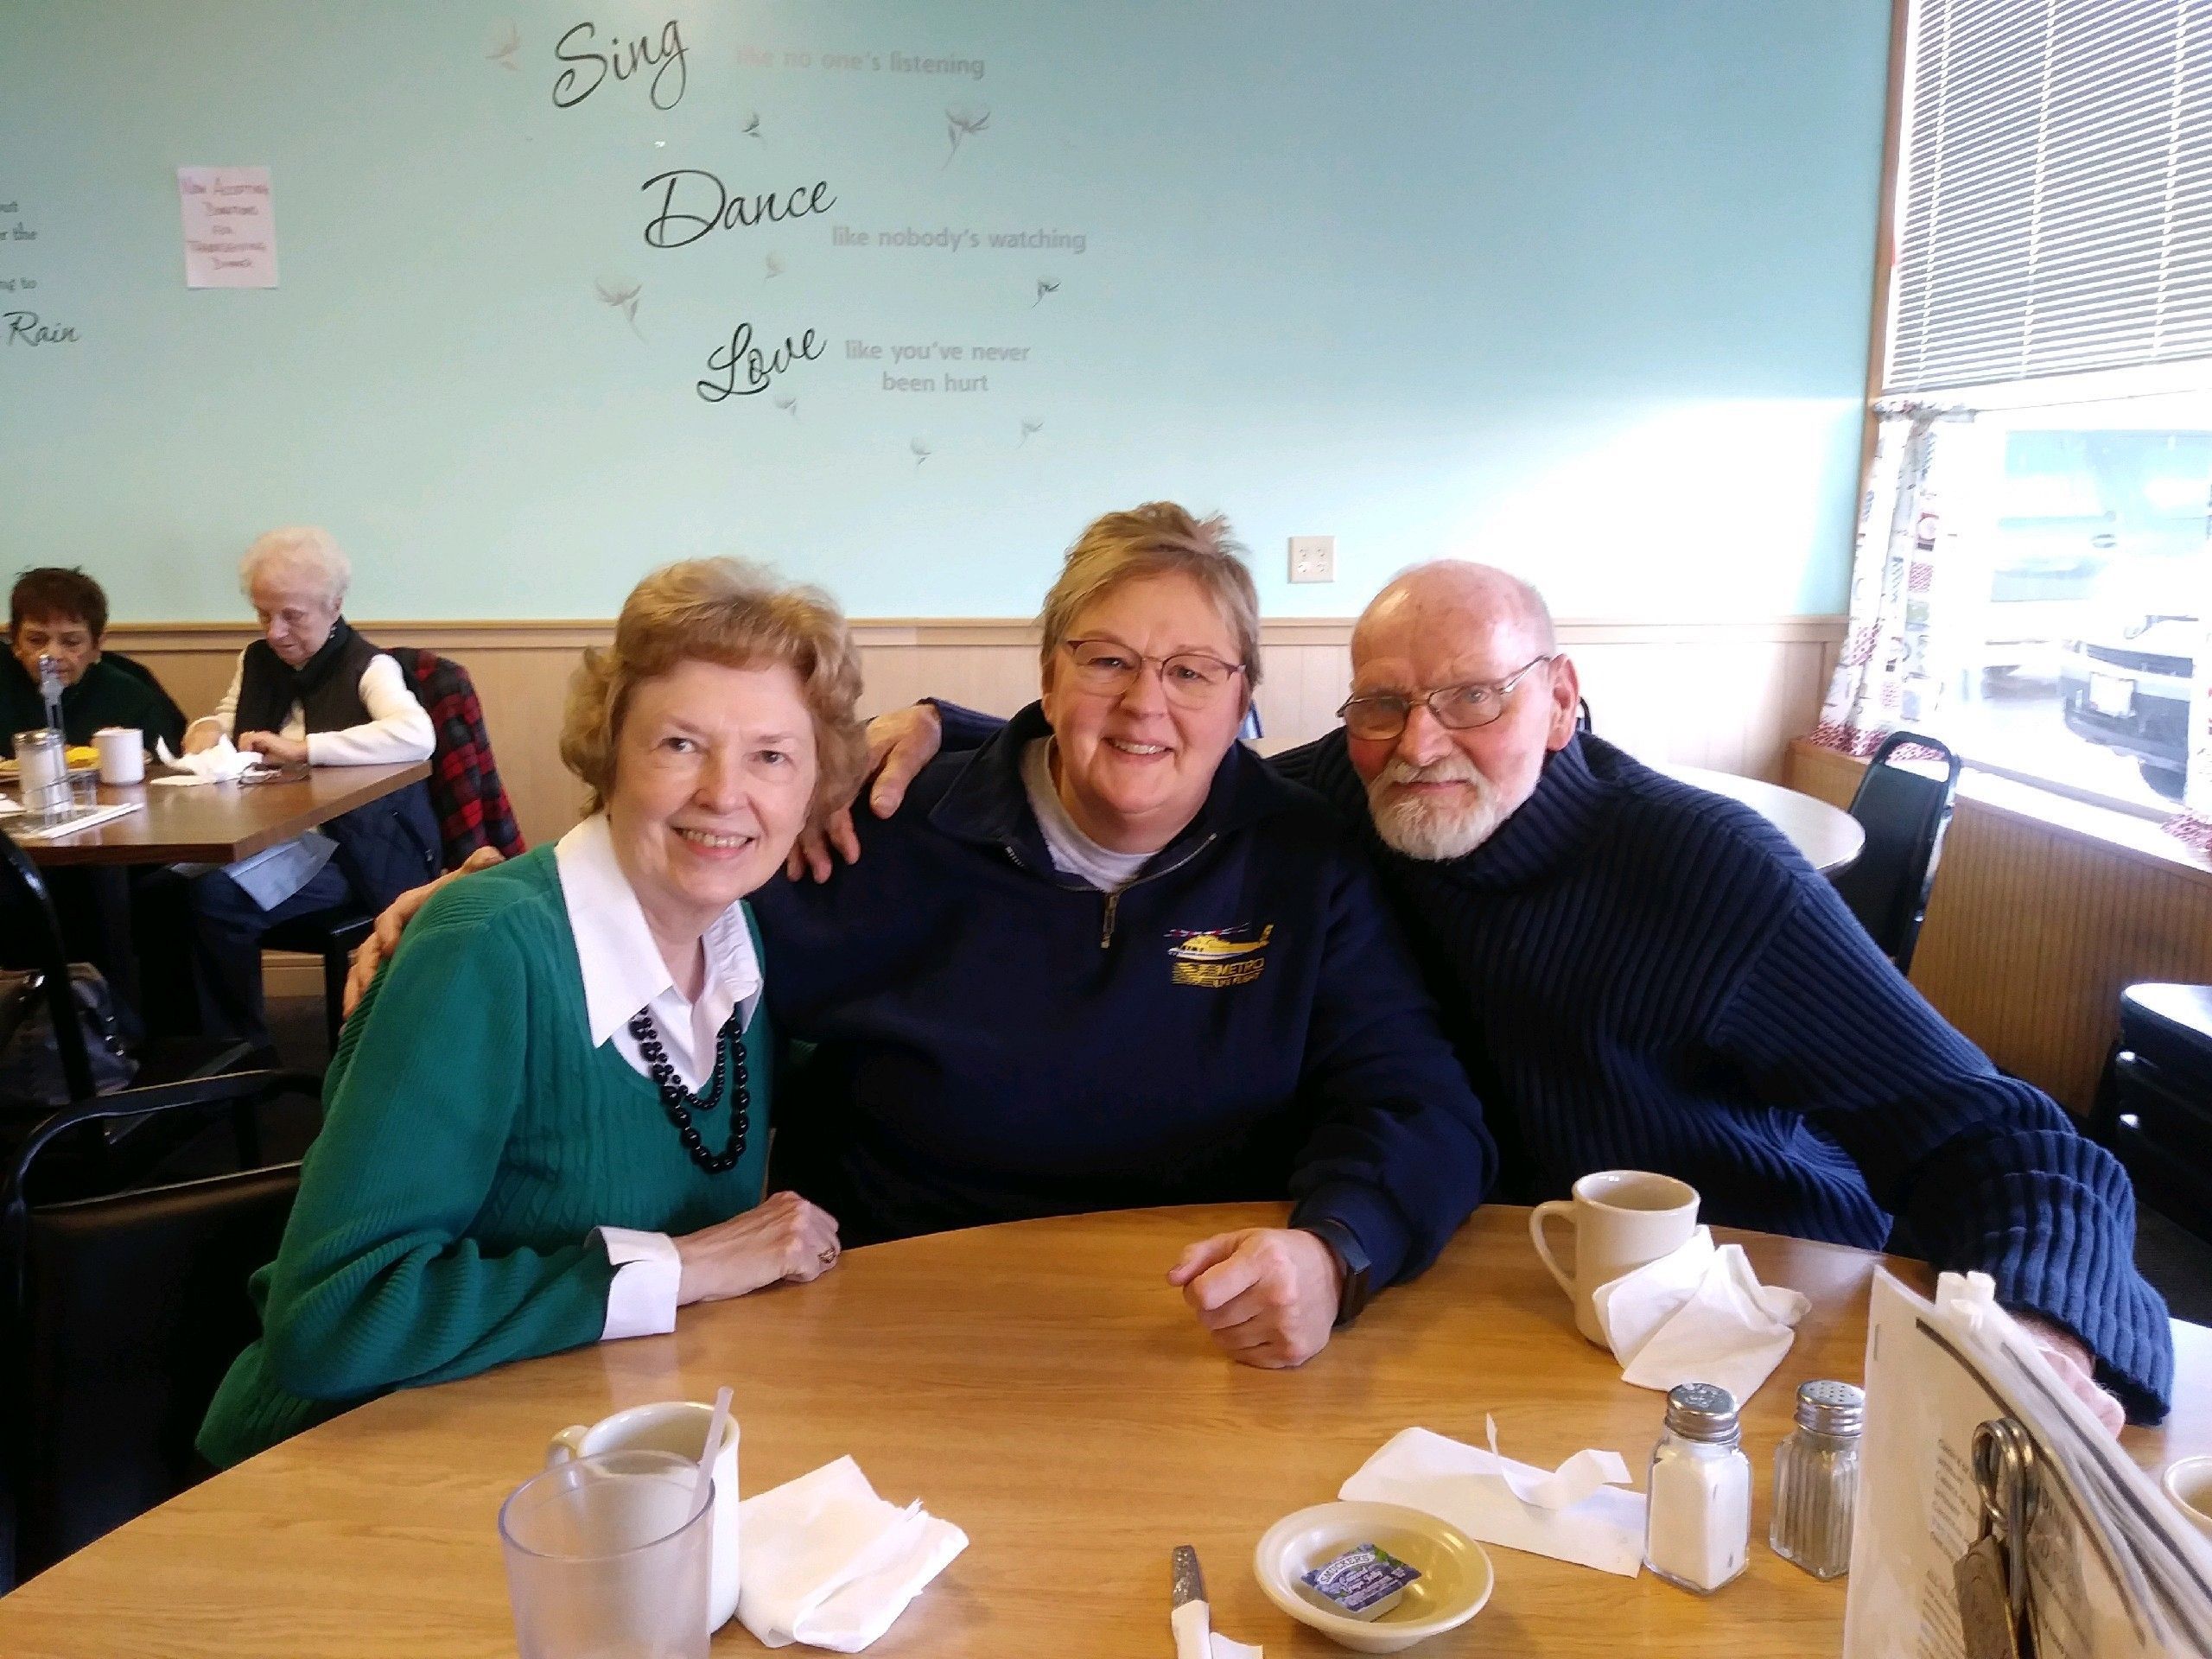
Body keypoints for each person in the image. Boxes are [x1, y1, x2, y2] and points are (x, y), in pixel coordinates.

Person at [825, 559, 2175, 1426]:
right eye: (1383, 706)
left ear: (1562, 699)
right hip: (1499, 1309)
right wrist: (944, 734)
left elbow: (1996, 1132)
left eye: (1474, 698)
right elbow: (1147, 754)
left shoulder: (1711, 875)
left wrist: (2044, 1340)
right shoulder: (1341, 799)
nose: (1423, 744)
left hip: (1758, 1313)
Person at [353, 505, 1497, 1371]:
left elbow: (1418, 1103)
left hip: (1185, 1325)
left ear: (1242, 692)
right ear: (1048, 675)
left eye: (1192, 670)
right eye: (1106, 661)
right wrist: (509, 905)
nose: (1148, 703)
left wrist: (1337, 1252)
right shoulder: (882, 825)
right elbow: (683, 892)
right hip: (878, 1325)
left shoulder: (1305, 856)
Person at [198, 558, 856, 1465]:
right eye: (679, 745)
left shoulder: (739, 940)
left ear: (816, 784)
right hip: (354, 1467)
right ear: (608, 750)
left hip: (590, 1440)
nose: (724, 794)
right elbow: (333, 1322)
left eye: (772, 755)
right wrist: (685, 1267)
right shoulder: (486, 947)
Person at [173, 526, 442, 1048]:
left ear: (334, 605)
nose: (274, 632)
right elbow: (229, 719)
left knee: (213, 897)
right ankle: (168, 1050)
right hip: (273, 837)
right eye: (263, 614)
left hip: (353, 848)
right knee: (159, 887)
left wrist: (306, 749)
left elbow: (416, 734)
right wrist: (206, 728)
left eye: (292, 615)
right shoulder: (257, 661)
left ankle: (240, 1053)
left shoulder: (370, 666)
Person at [3, 566, 186, 754]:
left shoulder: (130, 695)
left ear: (97, 645)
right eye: (36, 640)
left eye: (71, 642)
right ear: (15, 642)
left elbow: (167, 764)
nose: (52, 654)